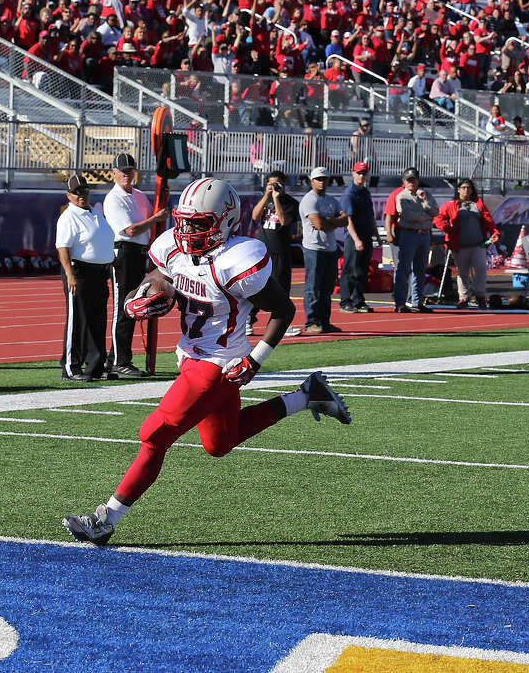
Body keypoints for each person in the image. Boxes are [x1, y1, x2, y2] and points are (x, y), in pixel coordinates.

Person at [62, 178, 352, 546]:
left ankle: (105, 518)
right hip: (192, 354)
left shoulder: (239, 258)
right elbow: (162, 273)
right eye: (184, 221)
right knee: (220, 442)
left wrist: (256, 359)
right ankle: (306, 396)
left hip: (218, 364)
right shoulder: (173, 246)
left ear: (226, 221)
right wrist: (150, 288)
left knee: (153, 435)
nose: (186, 230)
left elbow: (283, 309)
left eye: (198, 223)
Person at [102, 153, 167, 377]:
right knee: (124, 307)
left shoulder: (138, 196)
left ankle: (115, 357)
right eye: (123, 171)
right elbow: (130, 230)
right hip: (124, 254)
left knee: (134, 305)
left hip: (139, 253)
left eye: (130, 170)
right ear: (114, 173)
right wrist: (155, 219)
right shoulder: (113, 199)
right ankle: (120, 360)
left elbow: (151, 220)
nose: (127, 175)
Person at [55, 173, 115, 382]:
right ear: (69, 195)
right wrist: (70, 275)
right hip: (79, 271)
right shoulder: (68, 217)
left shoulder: (93, 212)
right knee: (77, 320)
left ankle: (96, 366)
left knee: (97, 320)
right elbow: (63, 248)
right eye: (77, 193)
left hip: (99, 273)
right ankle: (71, 367)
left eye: (85, 191)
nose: (82, 196)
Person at [248, 168, 300, 337]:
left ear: (283, 185)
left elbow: (284, 221)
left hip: (280, 251)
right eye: (270, 184)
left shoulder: (291, 203)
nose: (273, 187)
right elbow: (255, 216)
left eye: (276, 184)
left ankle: (282, 323)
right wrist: (266, 196)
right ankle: (248, 320)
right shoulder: (265, 200)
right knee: (255, 285)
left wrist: (276, 199)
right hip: (262, 251)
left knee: (282, 288)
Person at [299, 167, 348, 334]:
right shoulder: (309, 200)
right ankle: (311, 322)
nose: (321, 181)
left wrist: (327, 220)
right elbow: (319, 225)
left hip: (329, 248)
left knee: (327, 288)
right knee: (313, 287)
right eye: (318, 179)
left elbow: (345, 220)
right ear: (312, 181)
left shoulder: (331, 200)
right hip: (314, 247)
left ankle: (324, 321)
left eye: (324, 178)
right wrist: (331, 221)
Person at [434, 179, 496, 308]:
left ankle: (480, 296)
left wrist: (495, 233)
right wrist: (446, 228)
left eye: (468, 187)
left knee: (481, 270)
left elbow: (488, 220)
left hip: (478, 244)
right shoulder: (451, 205)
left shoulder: (478, 204)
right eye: (463, 187)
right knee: (462, 273)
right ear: (458, 189)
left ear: (472, 190)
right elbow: (437, 218)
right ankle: (464, 297)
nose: (466, 190)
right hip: (459, 246)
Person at [385, 168, 438, 313]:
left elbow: (435, 212)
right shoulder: (400, 195)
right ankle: (400, 302)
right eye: (408, 180)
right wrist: (426, 216)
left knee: (420, 270)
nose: (411, 182)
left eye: (413, 179)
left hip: (424, 234)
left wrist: (425, 201)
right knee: (403, 269)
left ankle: (417, 301)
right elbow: (408, 215)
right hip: (408, 233)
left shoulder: (425, 194)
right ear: (404, 182)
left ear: (418, 180)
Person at [339, 161, 377, 314]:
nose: (361, 176)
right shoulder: (349, 194)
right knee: (350, 269)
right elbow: (348, 219)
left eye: (364, 173)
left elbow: (371, 215)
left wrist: (376, 235)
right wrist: (355, 239)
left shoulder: (365, 192)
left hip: (366, 235)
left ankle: (358, 300)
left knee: (362, 270)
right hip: (354, 236)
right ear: (353, 173)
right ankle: (345, 301)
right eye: (359, 173)